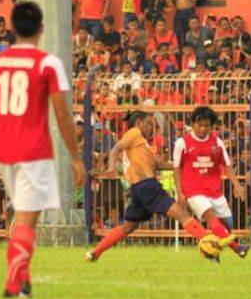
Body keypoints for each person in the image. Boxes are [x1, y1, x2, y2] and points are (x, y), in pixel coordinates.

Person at [0, 1, 85, 298]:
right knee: (26, 221)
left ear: (12, 27)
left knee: (22, 216)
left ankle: (24, 282)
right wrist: (75, 157)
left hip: (3, 151)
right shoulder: (48, 63)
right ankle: (12, 282)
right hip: (34, 150)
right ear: (42, 28)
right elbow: (62, 115)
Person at [85, 110, 225, 262]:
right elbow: (115, 149)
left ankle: (95, 253)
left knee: (128, 227)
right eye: (148, 124)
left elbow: (160, 164)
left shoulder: (143, 145)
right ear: (139, 123)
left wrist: (186, 164)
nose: (151, 128)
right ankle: (210, 245)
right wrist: (111, 169)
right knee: (182, 214)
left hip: (138, 190)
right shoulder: (134, 132)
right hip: (147, 186)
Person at [173, 106, 249, 258]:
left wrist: (236, 185)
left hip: (214, 190)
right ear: (193, 124)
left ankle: (212, 252)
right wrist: (180, 193)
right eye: (199, 125)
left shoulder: (217, 143)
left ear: (211, 126)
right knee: (210, 216)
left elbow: (227, 165)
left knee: (227, 224)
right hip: (193, 190)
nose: (202, 128)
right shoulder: (182, 142)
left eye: (206, 125)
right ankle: (238, 248)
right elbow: (177, 169)